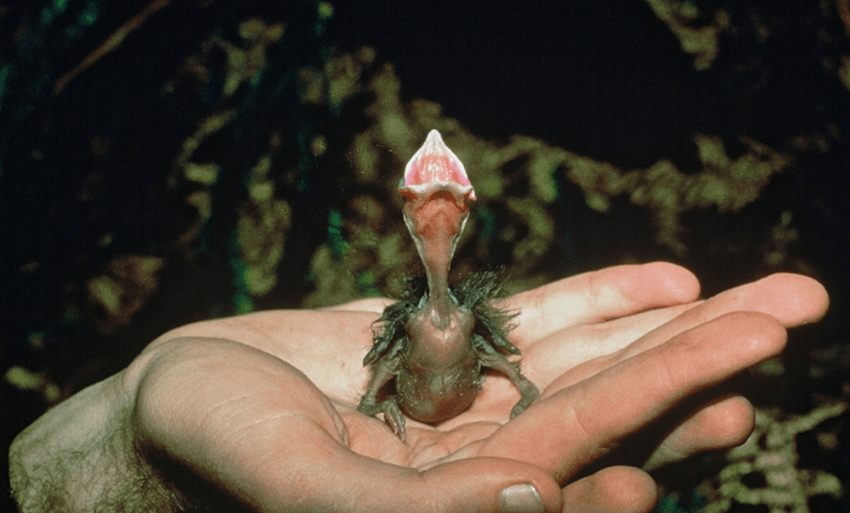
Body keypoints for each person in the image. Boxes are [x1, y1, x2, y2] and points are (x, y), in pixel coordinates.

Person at [9, 262, 829, 513]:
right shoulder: (399, 341)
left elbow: (506, 356)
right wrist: (113, 432)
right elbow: (385, 375)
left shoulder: (483, 339)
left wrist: (524, 382)